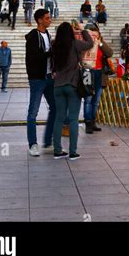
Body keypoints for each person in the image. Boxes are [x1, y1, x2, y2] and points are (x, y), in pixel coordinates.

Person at [51, 22, 94, 159]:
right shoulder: (75, 44)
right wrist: (82, 30)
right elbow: (90, 43)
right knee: (73, 119)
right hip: (72, 85)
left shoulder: (54, 46)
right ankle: (73, 152)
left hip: (58, 86)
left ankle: (57, 150)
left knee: (59, 118)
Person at [25, 8, 56, 157]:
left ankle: (48, 142)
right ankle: (33, 144)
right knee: (33, 112)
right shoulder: (33, 36)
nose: (49, 20)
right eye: (47, 18)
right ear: (39, 20)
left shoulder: (48, 35)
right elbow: (34, 57)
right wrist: (51, 51)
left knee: (55, 108)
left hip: (49, 77)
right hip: (37, 79)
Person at [81, 23, 113, 135]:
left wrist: (100, 43)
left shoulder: (100, 44)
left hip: (100, 73)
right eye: (91, 33)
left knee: (96, 100)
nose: (93, 35)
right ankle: (88, 123)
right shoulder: (84, 43)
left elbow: (110, 53)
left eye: (95, 33)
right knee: (88, 99)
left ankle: (93, 122)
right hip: (88, 72)